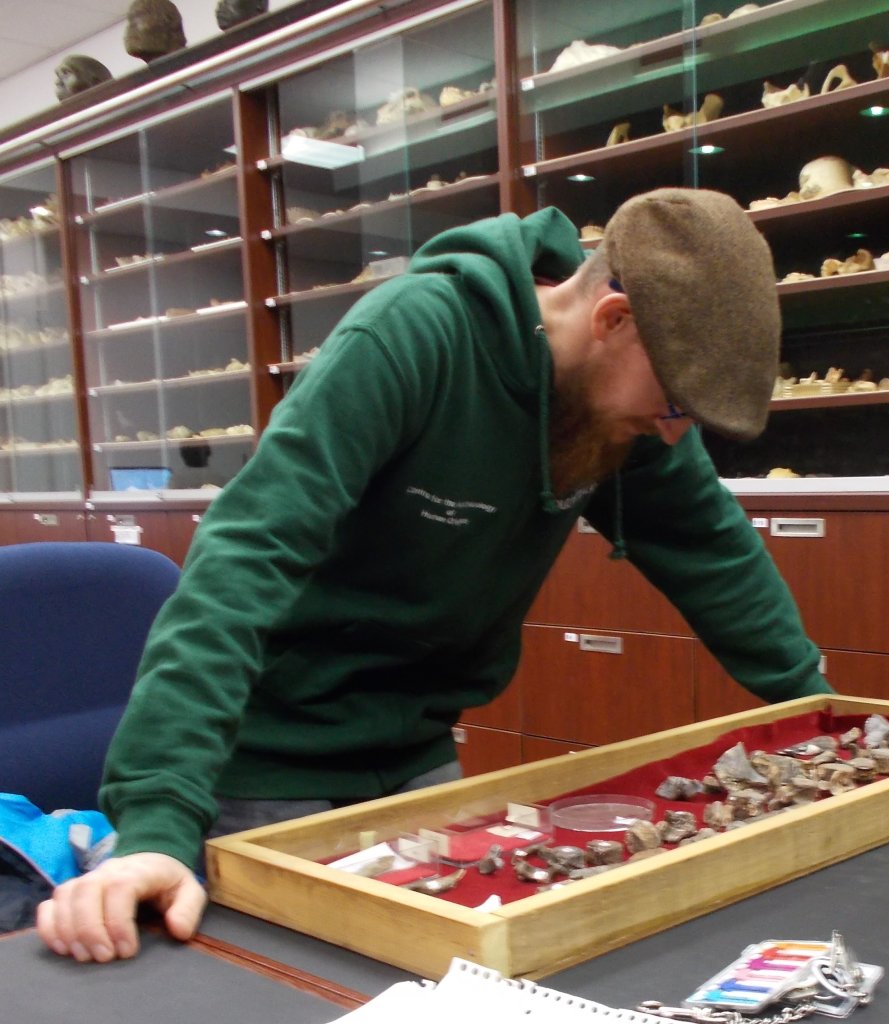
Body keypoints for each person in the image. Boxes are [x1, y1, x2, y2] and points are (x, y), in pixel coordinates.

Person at [36, 187, 832, 963]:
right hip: (271, 762)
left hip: (416, 757)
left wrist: (822, 715)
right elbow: (241, 563)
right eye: (673, 409)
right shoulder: (414, 336)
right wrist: (156, 825)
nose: (675, 434)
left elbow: (714, 553)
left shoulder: (624, 411)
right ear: (613, 320)